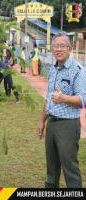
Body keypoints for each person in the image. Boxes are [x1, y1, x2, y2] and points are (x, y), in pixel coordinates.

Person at [38, 32, 86, 188]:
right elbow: (48, 99)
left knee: (70, 169)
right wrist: (42, 121)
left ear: (70, 48)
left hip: (68, 126)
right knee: (51, 170)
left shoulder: (78, 70)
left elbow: (82, 100)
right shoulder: (53, 69)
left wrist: (64, 98)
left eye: (62, 46)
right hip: (52, 123)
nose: (58, 49)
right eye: (55, 46)